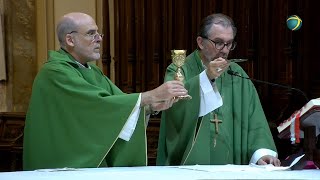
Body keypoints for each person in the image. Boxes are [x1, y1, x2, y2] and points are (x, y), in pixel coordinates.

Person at [23, 12, 188, 170]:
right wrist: (151, 96)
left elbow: (119, 102)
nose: (98, 40)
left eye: (99, 34)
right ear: (70, 40)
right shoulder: (55, 72)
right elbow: (97, 105)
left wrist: (151, 107)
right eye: (91, 34)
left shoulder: (93, 72)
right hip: (63, 163)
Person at [157, 13, 281, 166]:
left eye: (229, 44)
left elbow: (255, 119)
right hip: (192, 166)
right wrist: (206, 78)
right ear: (200, 42)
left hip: (233, 165)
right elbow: (172, 109)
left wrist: (261, 154)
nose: (224, 50)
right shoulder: (180, 70)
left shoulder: (236, 73)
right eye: (218, 42)